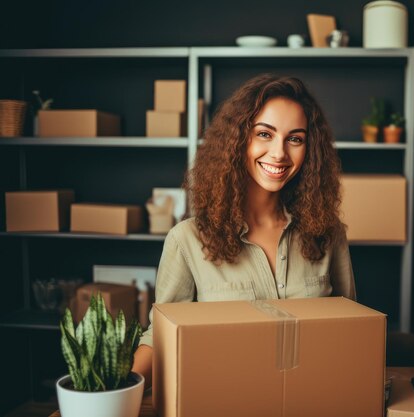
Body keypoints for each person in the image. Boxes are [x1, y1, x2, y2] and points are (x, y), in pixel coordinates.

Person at [132, 74, 356, 387]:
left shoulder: (327, 233)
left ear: (310, 150)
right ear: (238, 140)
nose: (279, 153)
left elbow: (352, 330)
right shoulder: (188, 240)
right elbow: (161, 335)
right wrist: (117, 390)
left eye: (295, 139)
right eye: (265, 134)